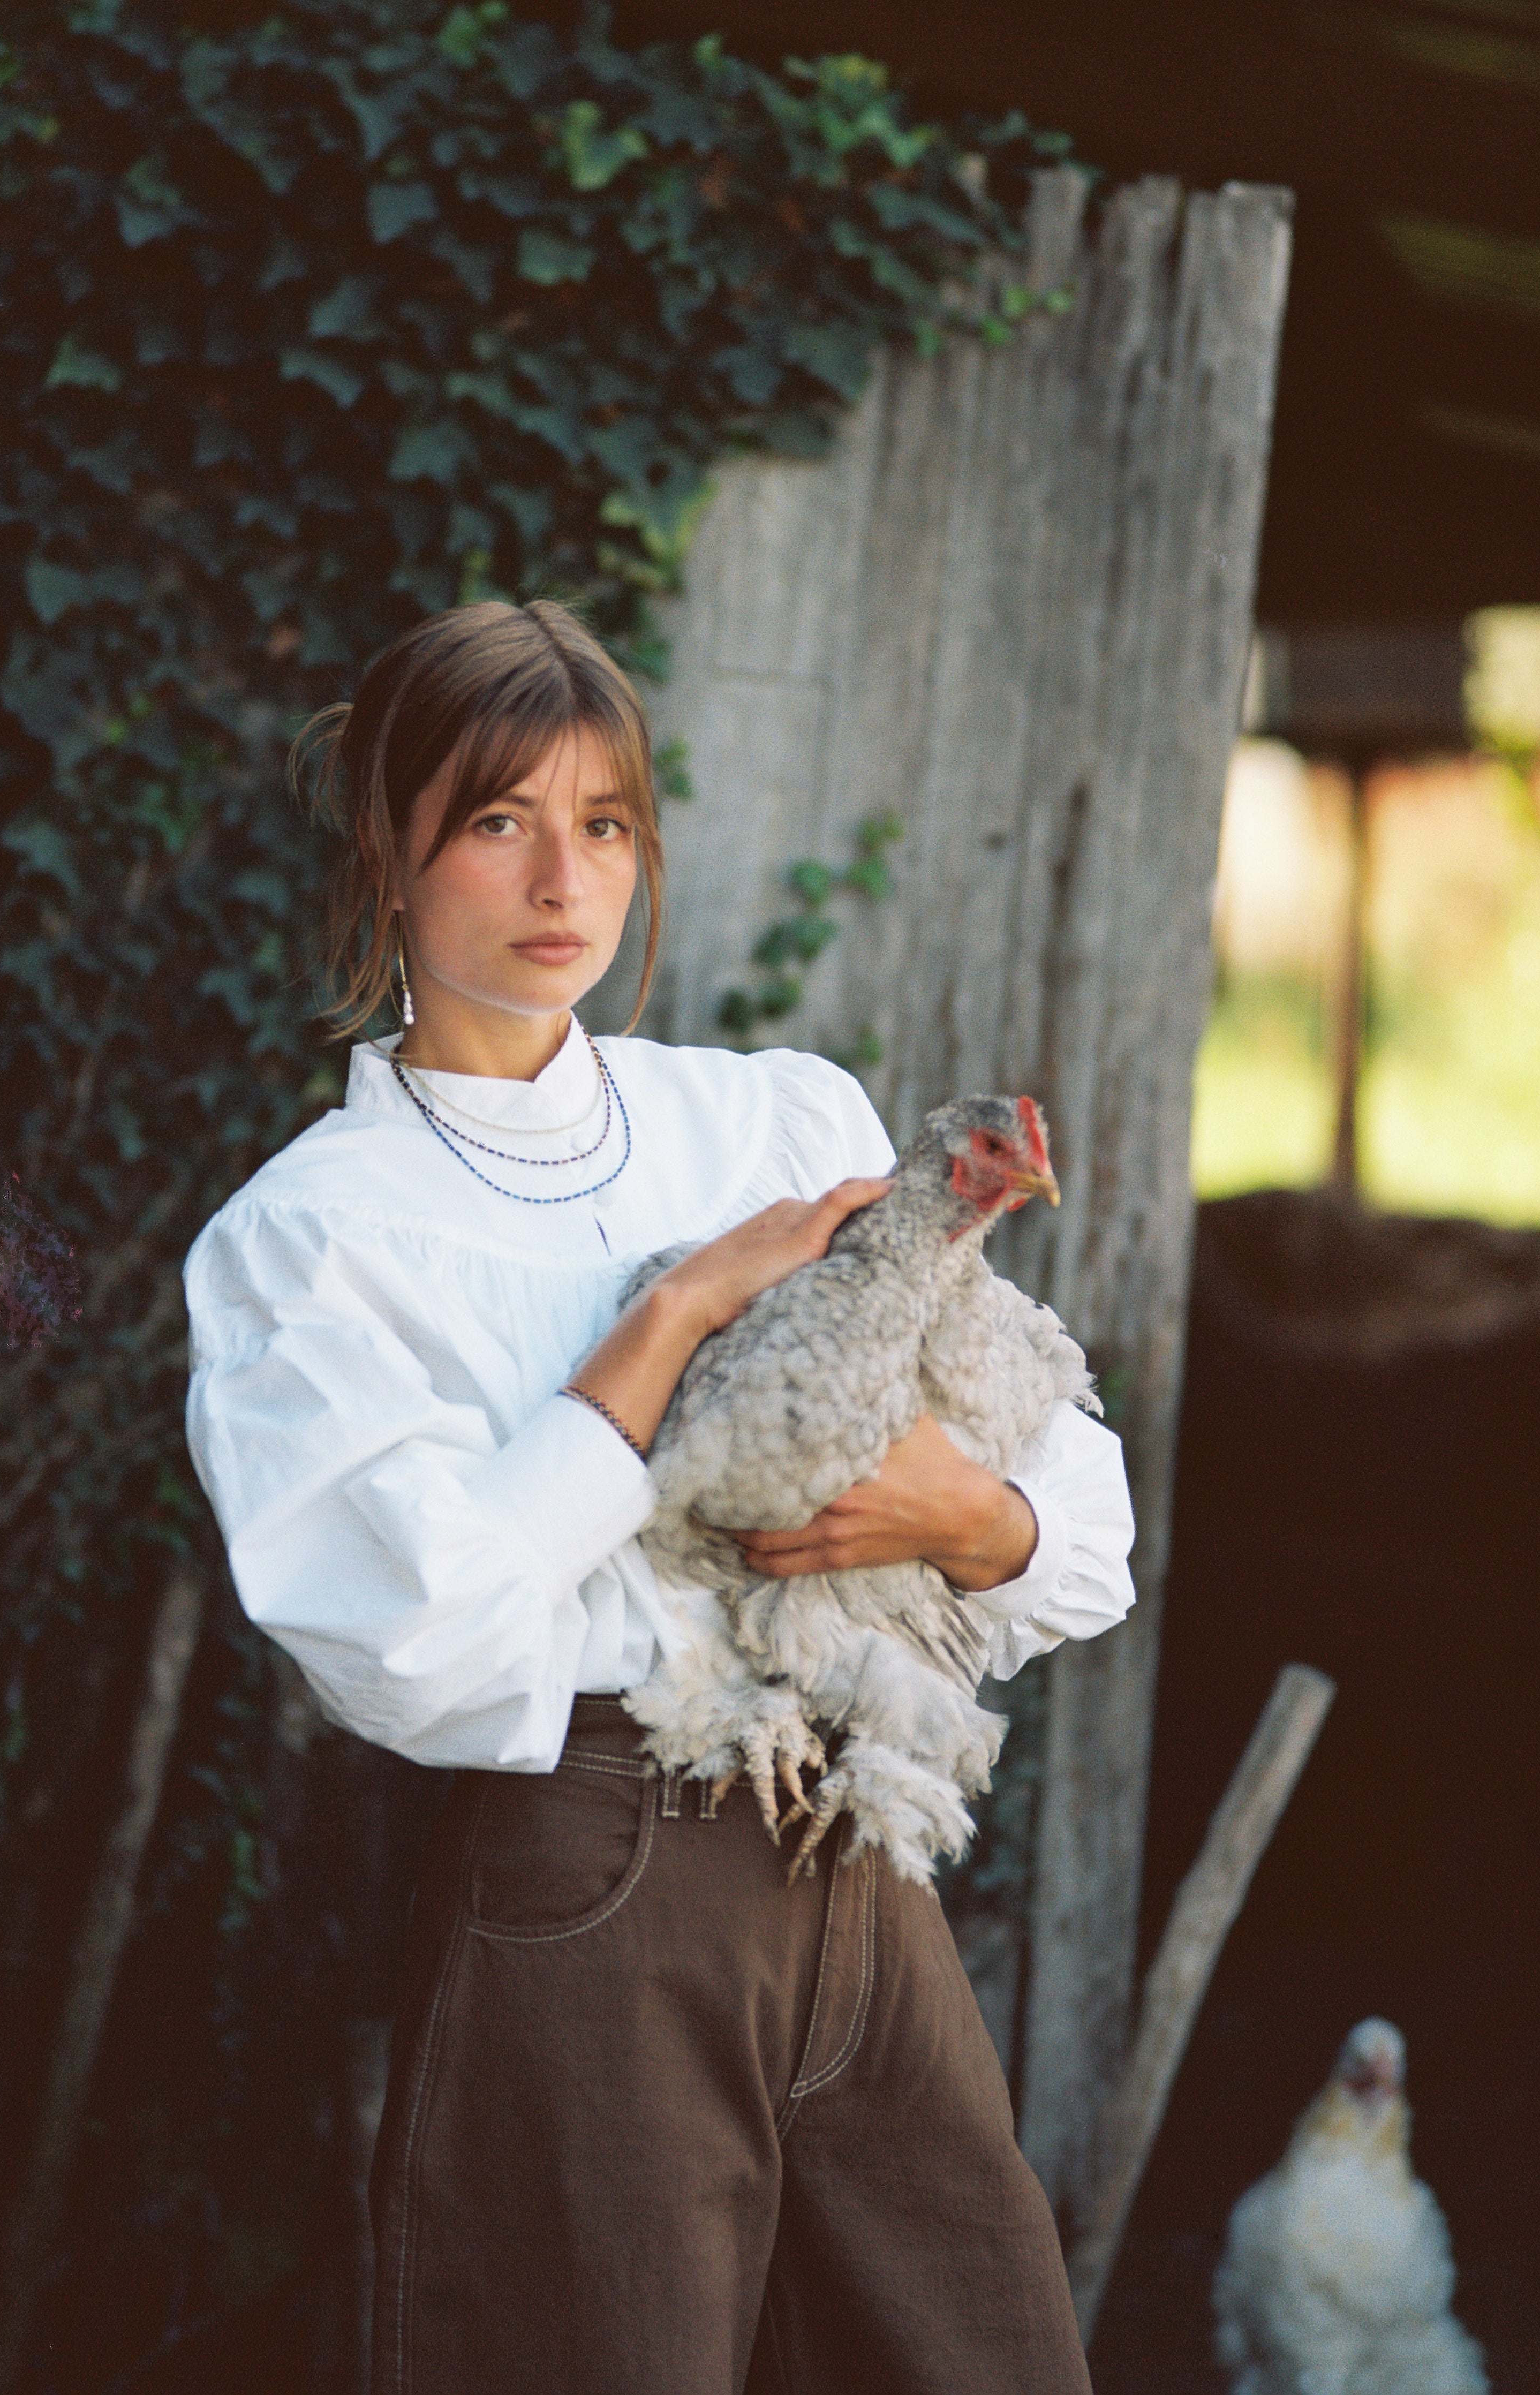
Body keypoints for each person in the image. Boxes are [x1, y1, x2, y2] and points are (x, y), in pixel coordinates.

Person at [183, 600, 1136, 2394]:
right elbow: (419, 1643)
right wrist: (669, 1320)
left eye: (604, 822)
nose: (563, 877)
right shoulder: (312, 1239)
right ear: (388, 849)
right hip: (590, 1870)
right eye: (496, 820)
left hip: (860, 1848)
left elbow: (1071, 1507)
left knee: (985, 2353)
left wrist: (957, 1515)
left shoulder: (768, 1121)